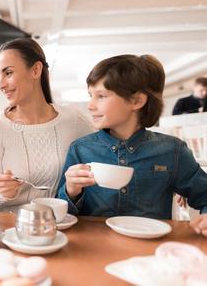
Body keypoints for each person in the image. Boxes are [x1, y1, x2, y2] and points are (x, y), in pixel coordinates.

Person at [57, 54, 207, 219]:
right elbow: (61, 215)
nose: (90, 106)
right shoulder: (80, 149)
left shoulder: (173, 151)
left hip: (151, 244)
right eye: (90, 95)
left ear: (136, 101)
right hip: (95, 243)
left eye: (101, 96)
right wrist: (71, 190)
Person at [0, 38, 94, 211]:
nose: (1, 85)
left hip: (60, 224)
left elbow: (105, 149)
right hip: (11, 227)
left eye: (8, 73)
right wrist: (5, 192)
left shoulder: (74, 120)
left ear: (36, 70)